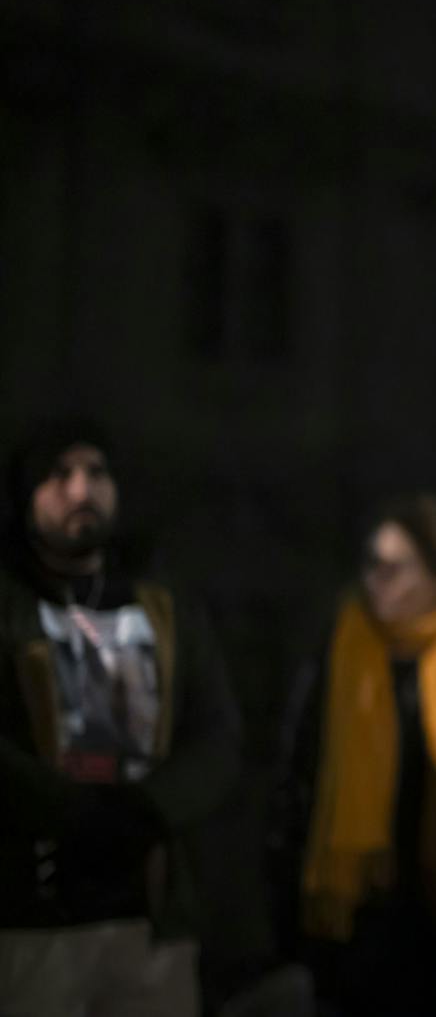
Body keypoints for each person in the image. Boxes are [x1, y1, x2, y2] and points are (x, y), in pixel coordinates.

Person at [0, 418, 240, 1016]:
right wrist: (74, 813)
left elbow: (215, 732)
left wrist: (148, 809)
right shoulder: (9, 604)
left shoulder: (163, 605)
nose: (81, 490)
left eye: (96, 472)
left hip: (149, 920)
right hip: (33, 917)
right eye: (59, 475)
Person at [274, 494, 436, 1017]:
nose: (376, 580)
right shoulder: (346, 647)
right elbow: (300, 766)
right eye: (372, 564)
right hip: (363, 909)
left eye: (395, 568)